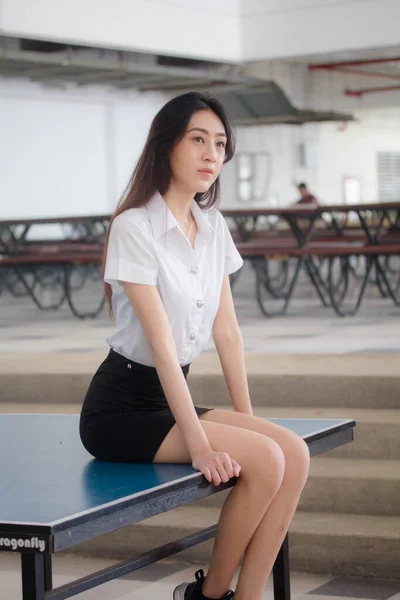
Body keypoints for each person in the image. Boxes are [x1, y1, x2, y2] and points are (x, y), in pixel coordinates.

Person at [79, 92, 310, 600]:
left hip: (168, 397)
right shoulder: (134, 227)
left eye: (221, 143)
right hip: (121, 409)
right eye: (198, 140)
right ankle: (211, 598)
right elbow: (162, 347)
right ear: (167, 147)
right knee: (269, 460)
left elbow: (227, 332)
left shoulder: (213, 227)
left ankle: (248, 597)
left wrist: (251, 423)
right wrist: (202, 445)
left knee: (290, 452)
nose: (212, 154)